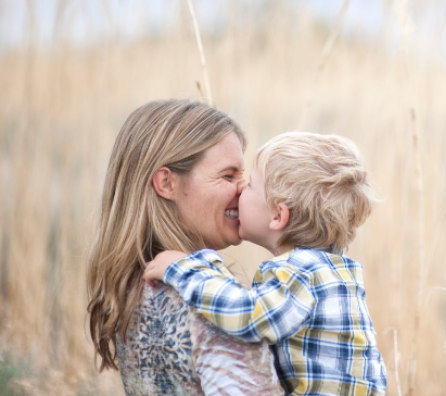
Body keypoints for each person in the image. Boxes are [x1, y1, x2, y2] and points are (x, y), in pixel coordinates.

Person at [144, 132, 388, 396]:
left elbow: (249, 316)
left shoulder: (303, 274)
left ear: (278, 215)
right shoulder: (333, 270)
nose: (239, 189)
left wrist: (185, 268)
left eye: (249, 185)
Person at [86, 99, 284, 396]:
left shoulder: (132, 289)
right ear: (166, 183)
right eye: (228, 176)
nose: (242, 189)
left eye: (243, 177)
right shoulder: (212, 303)